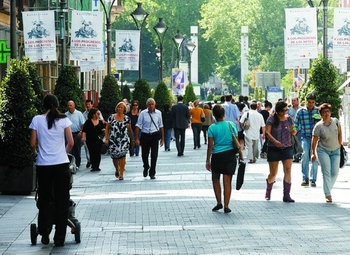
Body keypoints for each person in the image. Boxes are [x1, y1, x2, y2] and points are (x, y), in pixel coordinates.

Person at [29, 94, 74, 246]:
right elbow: (71, 142)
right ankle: (59, 237)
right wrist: (64, 153)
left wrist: (36, 153)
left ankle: (44, 231)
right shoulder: (64, 120)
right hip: (61, 164)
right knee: (62, 201)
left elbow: (32, 142)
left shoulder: (36, 119)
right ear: (57, 104)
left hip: (44, 165)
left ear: (44, 105)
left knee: (45, 199)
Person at [205, 104, 243, 213]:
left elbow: (210, 146)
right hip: (230, 155)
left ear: (214, 116)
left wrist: (208, 159)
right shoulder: (231, 125)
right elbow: (236, 142)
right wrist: (240, 154)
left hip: (217, 156)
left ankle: (219, 202)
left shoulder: (212, 128)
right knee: (227, 181)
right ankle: (227, 205)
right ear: (224, 114)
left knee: (215, 179)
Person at [264, 101, 297, 202]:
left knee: (288, 171)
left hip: (287, 147)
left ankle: (286, 195)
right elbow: (267, 133)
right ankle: (268, 190)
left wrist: (294, 132)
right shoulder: (271, 119)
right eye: (282, 110)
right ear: (278, 110)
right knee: (273, 173)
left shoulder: (289, 119)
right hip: (274, 148)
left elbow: (294, 130)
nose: (284, 112)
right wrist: (275, 141)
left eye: (286, 110)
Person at [311, 103, 342, 203]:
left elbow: (340, 133)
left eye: (328, 111)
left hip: (336, 150)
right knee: (326, 172)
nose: (326, 113)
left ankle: (328, 188)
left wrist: (340, 144)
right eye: (324, 112)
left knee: (335, 173)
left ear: (330, 112)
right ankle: (327, 194)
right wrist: (313, 153)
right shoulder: (318, 126)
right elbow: (314, 140)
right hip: (323, 150)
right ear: (320, 114)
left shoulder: (336, 121)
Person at [135, 98, 164, 179]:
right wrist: (137, 138)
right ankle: (146, 166)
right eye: (149, 104)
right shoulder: (143, 113)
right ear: (147, 105)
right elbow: (138, 125)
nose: (151, 106)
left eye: (152, 104)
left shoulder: (158, 113)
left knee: (154, 155)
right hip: (145, 135)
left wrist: (162, 138)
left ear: (155, 105)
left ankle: (152, 172)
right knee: (144, 154)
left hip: (155, 135)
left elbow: (161, 126)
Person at [295, 93, 319, 187]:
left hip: (316, 138)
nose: (311, 104)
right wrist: (293, 133)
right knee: (305, 156)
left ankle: (313, 179)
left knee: (315, 157)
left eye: (313, 102)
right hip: (305, 137)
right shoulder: (300, 111)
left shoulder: (318, 111)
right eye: (309, 102)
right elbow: (296, 125)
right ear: (306, 101)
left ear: (315, 102)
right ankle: (305, 178)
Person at [105, 102, 134, 180]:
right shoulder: (111, 117)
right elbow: (107, 128)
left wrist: (132, 139)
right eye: (118, 107)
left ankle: (121, 173)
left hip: (124, 140)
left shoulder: (127, 118)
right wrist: (106, 138)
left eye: (121, 107)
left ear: (124, 109)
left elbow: (130, 129)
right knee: (114, 156)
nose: (120, 109)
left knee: (122, 156)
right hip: (113, 140)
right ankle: (117, 169)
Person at [65, 100, 85, 169]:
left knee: (77, 149)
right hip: (68, 134)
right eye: (68, 105)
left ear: (74, 106)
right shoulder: (65, 115)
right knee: (69, 150)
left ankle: (77, 164)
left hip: (77, 134)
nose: (69, 107)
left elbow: (83, 124)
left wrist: (81, 131)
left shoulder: (79, 114)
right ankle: (69, 164)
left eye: (70, 105)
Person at [287, 97, 302, 162]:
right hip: (292, 129)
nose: (293, 102)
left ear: (297, 101)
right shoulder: (289, 110)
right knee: (292, 143)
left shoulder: (301, 109)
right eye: (292, 100)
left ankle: (298, 156)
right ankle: (294, 156)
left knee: (299, 142)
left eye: (294, 100)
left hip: (300, 128)